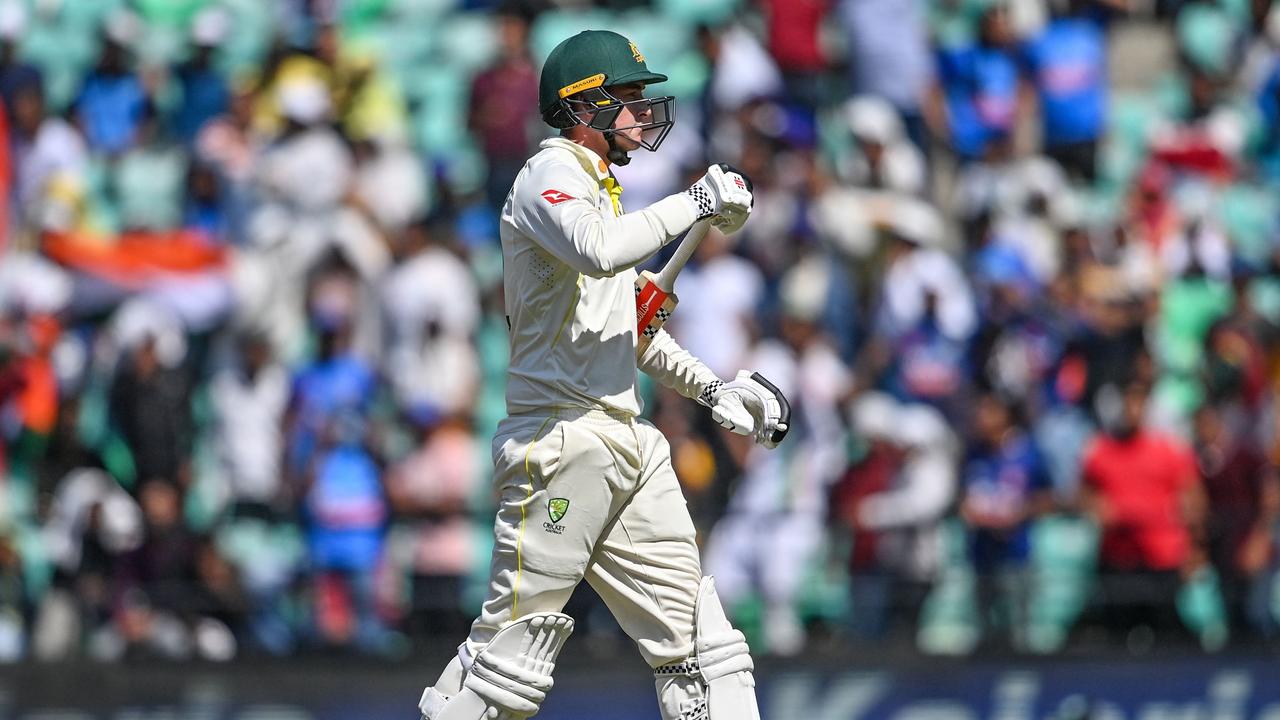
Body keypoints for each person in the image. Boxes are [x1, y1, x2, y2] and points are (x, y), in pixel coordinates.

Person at [417, 30, 790, 720]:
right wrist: (694, 203)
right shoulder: (547, 176)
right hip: (561, 443)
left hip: (627, 441)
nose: (642, 115)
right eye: (626, 100)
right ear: (581, 106)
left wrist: (714, 390)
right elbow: (601, 253)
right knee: (507, 665)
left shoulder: (601, 191)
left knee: (704, 655)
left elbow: (633, 333)